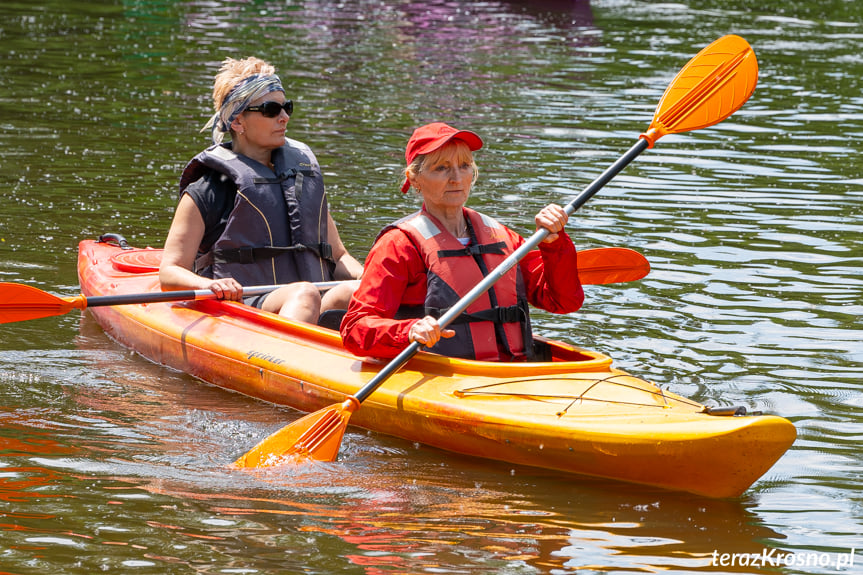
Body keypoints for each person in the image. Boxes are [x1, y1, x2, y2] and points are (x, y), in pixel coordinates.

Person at [339, 122, 583, 361]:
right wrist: (409, 330)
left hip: (513, 372)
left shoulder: (504, 237)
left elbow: (563, 301)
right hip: (444, 375)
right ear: (414, 179)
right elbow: (355, 328)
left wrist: (553, 244)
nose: (456, 177)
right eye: (441, 168)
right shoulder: (397, 245)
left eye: (464, 166)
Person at [159, 57, 363, 324]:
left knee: (355, 291)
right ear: (237, 122)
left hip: (309, 300)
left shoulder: (301, 179)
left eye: (286, 107)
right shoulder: (209, 189)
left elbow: (338, 255)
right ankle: (288, 361)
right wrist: (208, 285)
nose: (284, 117)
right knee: (304, 293)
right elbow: (169, 272)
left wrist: (366, 276)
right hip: (245, 307)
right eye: (270, 109)